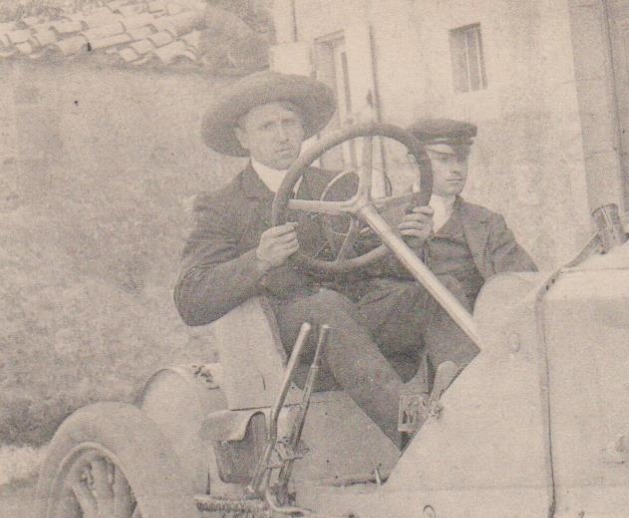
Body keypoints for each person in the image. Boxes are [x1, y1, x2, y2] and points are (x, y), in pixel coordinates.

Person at [173, 71, 470, 446]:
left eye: (289, 122)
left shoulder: (339, 187)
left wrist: (408, 242)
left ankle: (472, 408)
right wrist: (259, 260)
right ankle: (420, 438)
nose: (282, 135)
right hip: (290, 341)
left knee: (441, 290)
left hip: (358, 318)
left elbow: (372, 263)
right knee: (326, 309)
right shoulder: (222, 206)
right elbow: (190, 300)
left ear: (302, 129)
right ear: (242, 137)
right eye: (267, 126)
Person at [356, 117, 537, 395]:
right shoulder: (379, 216)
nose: (456, 170)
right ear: (414, 162)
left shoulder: (486, 223)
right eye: (443, 160)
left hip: (478, 333)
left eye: (461, 160)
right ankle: (473, 388)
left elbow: (521, 281)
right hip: (407, 333)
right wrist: (411, 246)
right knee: (445, 289)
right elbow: (369, 285)